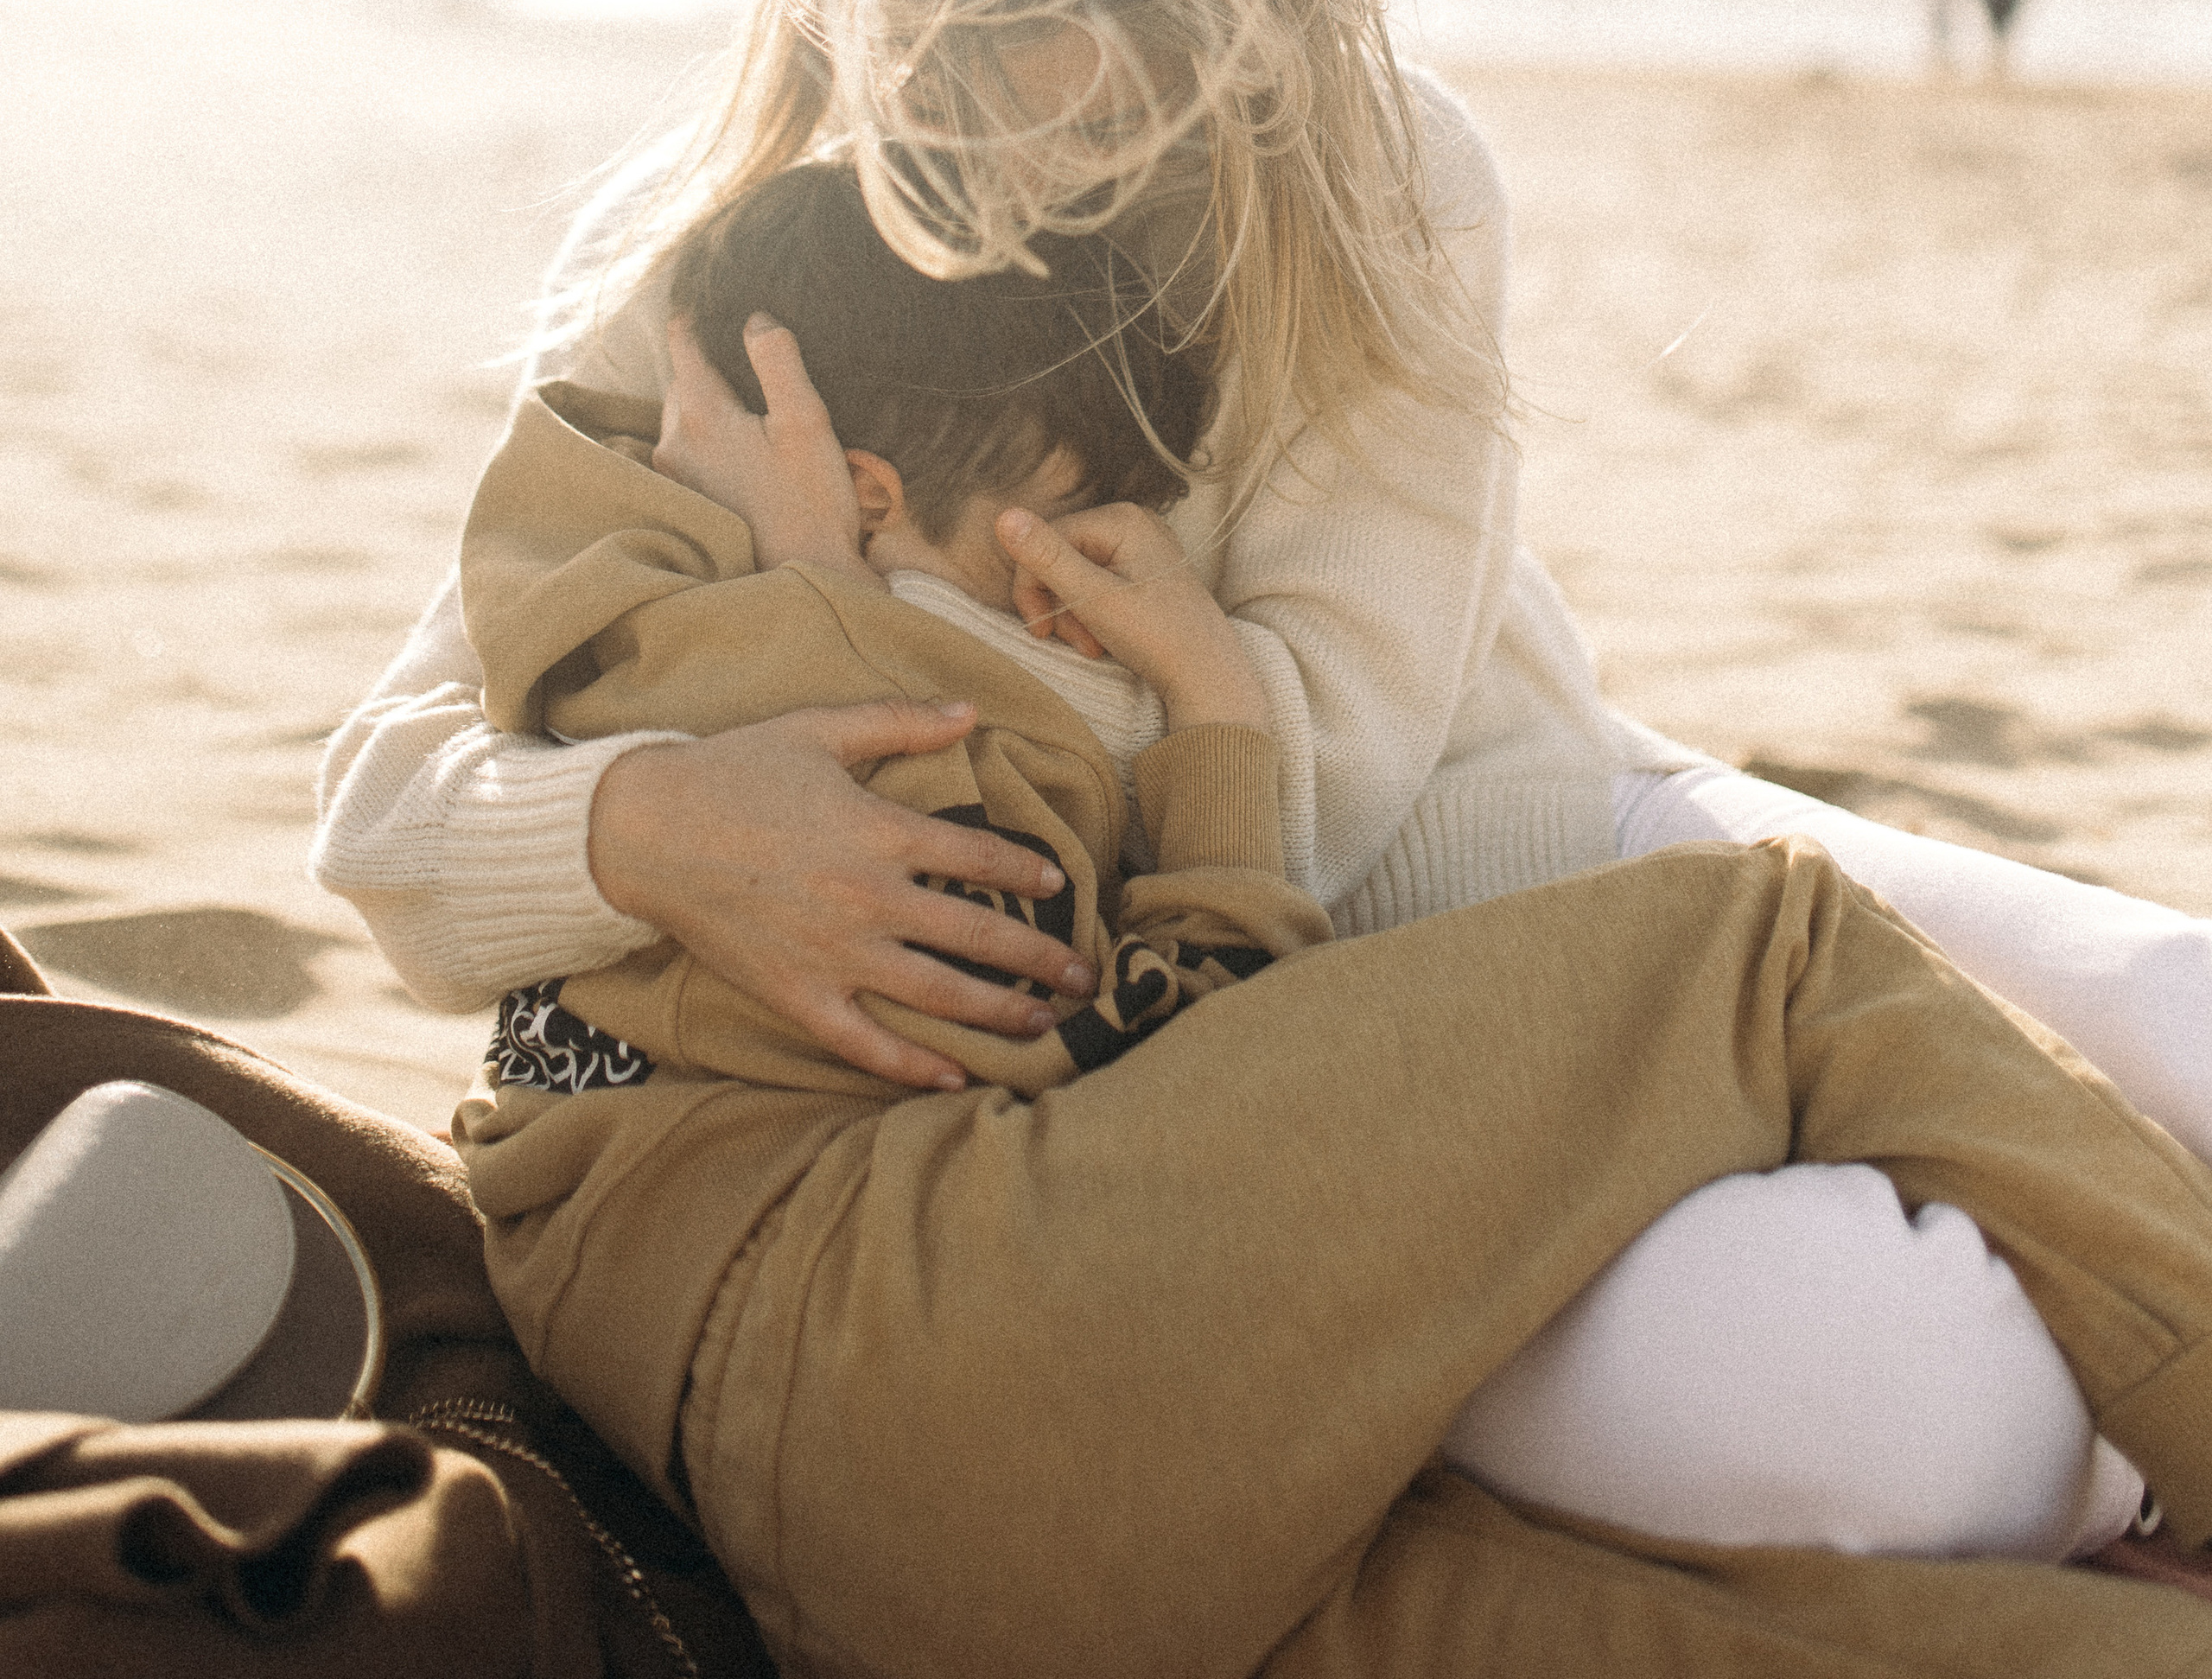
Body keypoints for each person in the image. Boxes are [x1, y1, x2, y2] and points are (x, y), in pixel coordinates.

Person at [315, 0, 2212, 1570]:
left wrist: (855, 639)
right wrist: (648, 823)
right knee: (1928, 1432)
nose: (1057, 134)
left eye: (1133, 40)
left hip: (1539, 821)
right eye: (982, 53)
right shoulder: (722, 278)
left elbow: (1352, 777)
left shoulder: (1378, 172)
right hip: (1185, 1082)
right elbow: (386, 806)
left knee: (2178, 1010)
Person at [449, 185, 2208, 1677]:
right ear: (871, 496)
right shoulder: (844, 725)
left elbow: (1094, 1033)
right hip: (922, 1343)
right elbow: (1124, 1038)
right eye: (1032, 548)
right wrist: (854, 601)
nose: (1058, 597)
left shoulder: (593, 662)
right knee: (1766, 947)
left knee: (1771, 1647)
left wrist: (1209, 723)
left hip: (924, 1574)